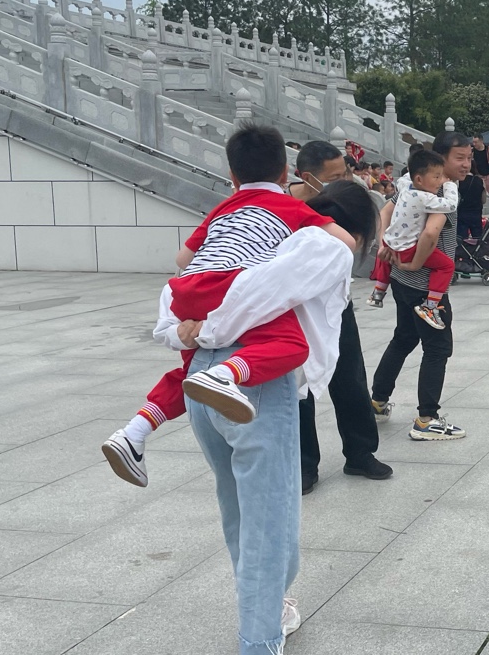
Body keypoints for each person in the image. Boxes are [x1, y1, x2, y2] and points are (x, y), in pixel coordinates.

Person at [100, 125, 352, 488]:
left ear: (232, 176)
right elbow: (342, 242)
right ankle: (226, 375)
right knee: (293, 345)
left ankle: (133, 433)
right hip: (232, 287)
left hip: (187, 291)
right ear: (285, 173)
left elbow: (183, 257)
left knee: (188, 375)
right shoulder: (290, 206)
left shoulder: (222, 208)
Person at [288, 143, 390, 495]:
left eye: (345, 172)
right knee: (300, 385)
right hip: (296, 307)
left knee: (350, 376)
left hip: (336, 304)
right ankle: (303, 465)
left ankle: (360, 453)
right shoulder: (283, 207)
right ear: (307, 177)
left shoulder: (344, 202)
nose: (345, 180)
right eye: (335, 176)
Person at [369, 131, 471, 441]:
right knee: (437, 348)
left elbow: (384, 212)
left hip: (401, 281)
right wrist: (415, 262)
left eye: (469, 158)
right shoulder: (441, 196)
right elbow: (430, 233)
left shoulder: (412, 187)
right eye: (459, 158)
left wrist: (386, 244)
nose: (466, 164)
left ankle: (377, 401)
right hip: (426, 286)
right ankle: (427, 419)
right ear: (441, 159)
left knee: (403, 338)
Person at [368, 149, 457, 330]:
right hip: (407, 250)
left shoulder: (404, 188)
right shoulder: (425, 197)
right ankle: (430, 306)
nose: (440, 181)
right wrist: (450, 186)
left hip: (390, 241)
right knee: (446, 266)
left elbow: (400, 185)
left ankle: (378, 291)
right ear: (419, 179)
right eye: (437, 177)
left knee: (385, 257)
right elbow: (449, 206)